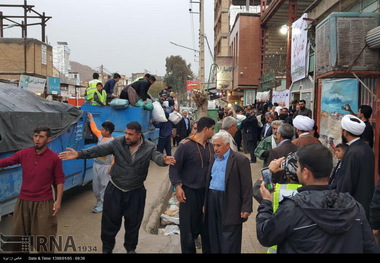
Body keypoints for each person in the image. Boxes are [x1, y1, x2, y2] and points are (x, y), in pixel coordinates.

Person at [58, 121, 176, 254]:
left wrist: (163, 161)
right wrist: (79, 154)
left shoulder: (149, 147)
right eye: (126, 133)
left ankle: (130, 249)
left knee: (133, 224)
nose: (126, 136)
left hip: (136, 192)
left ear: (139, 135)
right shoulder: (117, 143)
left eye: (130, 134)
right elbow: (98, 150)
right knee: (109, 223)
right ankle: (107, 249)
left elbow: (157, 156)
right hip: (115, 190)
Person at [256, 144, 378, 253]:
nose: (296, 171)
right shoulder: (354, 206)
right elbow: (370, 247)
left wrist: (266, 203)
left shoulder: (292, 209)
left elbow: (265, 235)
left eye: (298, 167)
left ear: (306, 172)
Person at [0, 126, 65, 253]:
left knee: (44, 239)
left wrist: (58, 201)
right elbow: (6, 162)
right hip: (23, 202)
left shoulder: (54, 158)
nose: (37, 139)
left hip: (44, 204)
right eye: (35, 136)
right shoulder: (24, 153)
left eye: (41, 137)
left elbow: (59, 180)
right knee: (19, 239)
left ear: (48, 139)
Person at [169, 116, 215, 254]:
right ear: (206, 129)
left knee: (206, 229)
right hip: (189, 194)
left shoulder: (211, 147)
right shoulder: (185, 146)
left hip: (207, 194)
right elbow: (174, 168)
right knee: (188, 230)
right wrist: (177, 187)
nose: (214, 132)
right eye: (212, 129)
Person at [204, 131, 253, 253]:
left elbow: (247, 185)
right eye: (214, 145)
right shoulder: (213, 159)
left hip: (230, 200)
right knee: (214, 232)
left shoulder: (240, 160)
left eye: (218, 145)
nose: (215, 148)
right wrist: (206, 203)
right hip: (212, 198)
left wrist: (246, 207)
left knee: (230, 234)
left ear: (227, 145)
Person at [335, 114, 374, 220]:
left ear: (345, 132)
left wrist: (340, 205)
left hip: (353, 207)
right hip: (365, 202)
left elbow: (347, 181)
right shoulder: (366, 148)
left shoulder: (352, 152)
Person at [87, 113, 115, 213]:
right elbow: (94, 129)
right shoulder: (100, 137)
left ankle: (103, 203)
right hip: (96, 164)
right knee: (96, 185)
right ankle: (99, 201)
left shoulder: (112, 142)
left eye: (103, 129)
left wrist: (112, 165)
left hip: (105, 167)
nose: (101, 131)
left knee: (104, 185)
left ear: (108, 132)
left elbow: (116, 155)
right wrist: (91, 119)